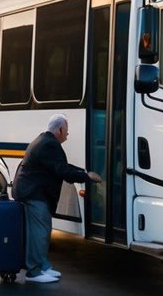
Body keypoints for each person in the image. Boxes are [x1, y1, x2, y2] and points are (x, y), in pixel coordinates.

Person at [14, 114, 101, 283]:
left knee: (43, 230)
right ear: (60, 130)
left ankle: (43, 266)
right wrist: (86, 177)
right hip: (33, 193)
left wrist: (84, 172)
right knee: (39, 232)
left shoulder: (45, 141)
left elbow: (61, 166)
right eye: (67, 130)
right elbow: (63, 171)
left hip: (32, 192)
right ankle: (34, 272)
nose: (67, 134)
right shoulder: (49, 145)